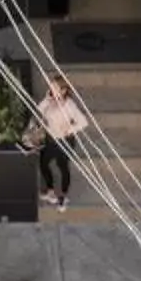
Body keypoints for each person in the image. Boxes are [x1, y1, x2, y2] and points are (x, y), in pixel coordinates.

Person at [29, 73, 89, 208]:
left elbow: (83, 122)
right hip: (50, 139)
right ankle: (50, 191)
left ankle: (63, 196)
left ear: (63, 90)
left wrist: (70, 128)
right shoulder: (50, 100)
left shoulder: (69, 104)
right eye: (51, 86)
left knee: (63, 167)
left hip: (64, 141)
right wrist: (47, 98)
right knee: (43, 163)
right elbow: (39, 109)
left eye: (54, 87)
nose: (51, 88)